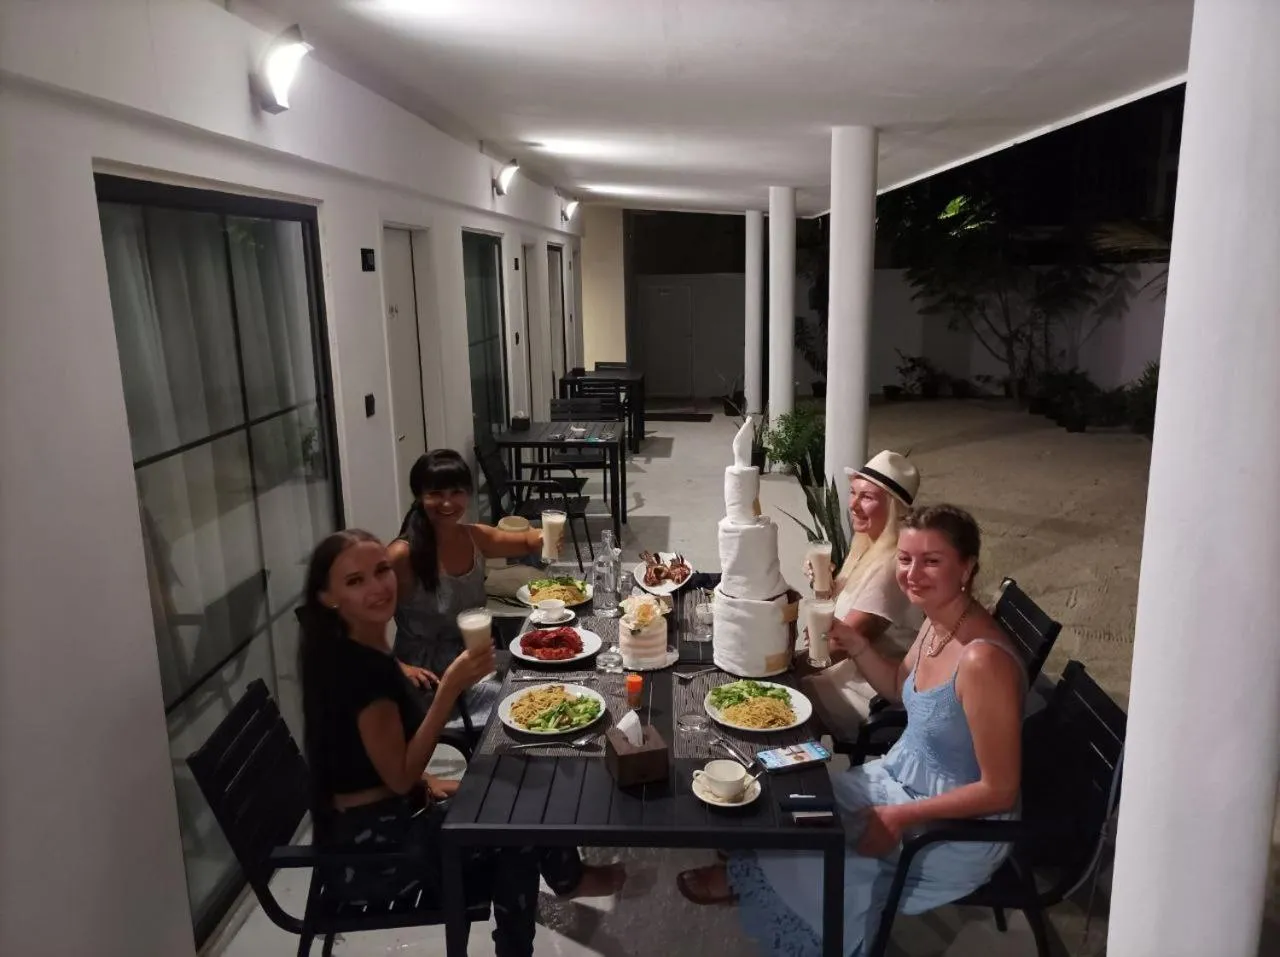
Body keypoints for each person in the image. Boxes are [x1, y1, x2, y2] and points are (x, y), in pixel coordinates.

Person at [677, 506, 1024, 957]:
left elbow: (1000, 791)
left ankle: (760, 888)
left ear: (967, 567)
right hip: (897, 778)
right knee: (789, 804)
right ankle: (750, 875)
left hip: (951, 825)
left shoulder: (982, 662)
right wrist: (858, 644)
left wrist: (900, 817)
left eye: (932, 561)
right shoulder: (938, 619)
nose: (912, 574)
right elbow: (899, 688)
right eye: (905, 559)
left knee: (812, 845)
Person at [298, 529, 623, 956]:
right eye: (355, 581)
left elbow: (365, 759)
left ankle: (567, 880)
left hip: (382, 816)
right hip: (377, 857)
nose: (377, 587)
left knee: (521, 783)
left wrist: (429, 782)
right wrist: (449, 688)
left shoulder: (350, 648)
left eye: (381, 571)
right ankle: (533, 926)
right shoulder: (362, 677)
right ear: (328, 597)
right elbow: (399, 778)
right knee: (519, 828)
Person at [389, 450, 560, 726]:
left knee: (547, 677)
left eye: (456, 492)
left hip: (474, 660)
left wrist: (546, 535)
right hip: (430, 681)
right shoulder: (401, 555)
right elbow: (352, 628)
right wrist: (398, 668)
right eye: (435, 493)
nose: (447, 502)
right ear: (419, 496)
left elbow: (525, 541)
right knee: (527, 708)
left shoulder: (473, 536)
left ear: (468, 494)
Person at [800, 450, 922, 732]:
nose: (853, 505)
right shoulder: (868, 546)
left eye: (866, 497)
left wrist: (786, 667)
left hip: (868, 691)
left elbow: (838, 646)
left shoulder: (892, 564)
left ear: (893, 508)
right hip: (842, 673)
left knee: (777, 698)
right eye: (853, 493)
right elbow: (832, 625)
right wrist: (822, 583)